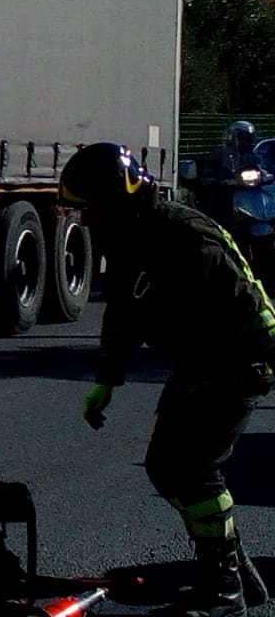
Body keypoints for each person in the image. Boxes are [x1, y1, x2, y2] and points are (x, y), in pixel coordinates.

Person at [60, 142, 275, 617]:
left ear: (117, 201)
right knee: (168, 468)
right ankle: (235, 575)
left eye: (90, 209)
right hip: (199, 366)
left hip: (234, 365)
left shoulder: (186, 236)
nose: (85, 221)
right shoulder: (131, 239)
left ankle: (224, 592)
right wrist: (105, 382)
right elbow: (124, 314)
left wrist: (256, 361)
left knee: (189, 471)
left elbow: (252, 310)